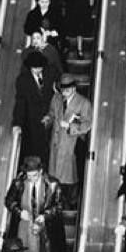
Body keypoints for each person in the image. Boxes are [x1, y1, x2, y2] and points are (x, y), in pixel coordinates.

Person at [5, 157, 66, 252]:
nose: (31, 179)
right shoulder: (19, 182)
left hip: (47, 229)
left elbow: (59, 206)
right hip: (24, 227)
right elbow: (9, 200)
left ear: (41, 171)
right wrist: (19, 211)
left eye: (34, 176)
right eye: (28, 176)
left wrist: (44, 216)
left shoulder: (53, 184)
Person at [45, 73, 92, 207]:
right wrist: (48, 119)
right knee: (54, 176)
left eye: (67, 89)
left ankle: (70, 203)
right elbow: (52, 113)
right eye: (62, 89)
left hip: (71, 145)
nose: (64, 92)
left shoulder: (83, 103)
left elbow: (87, 124)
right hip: (55, 143)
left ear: (74, 89)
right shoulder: (56, 98)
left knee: (70, 177)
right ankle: (56, 204)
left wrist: (70, 126)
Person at [12, 51, 58, 163]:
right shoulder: (23, 80)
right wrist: (17, 123)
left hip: (52, 116)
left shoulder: (51, 73)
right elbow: (20, 103)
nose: (38, 71)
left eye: (40, 68)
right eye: (35, 68)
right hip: (33, 121)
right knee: (36, 150)